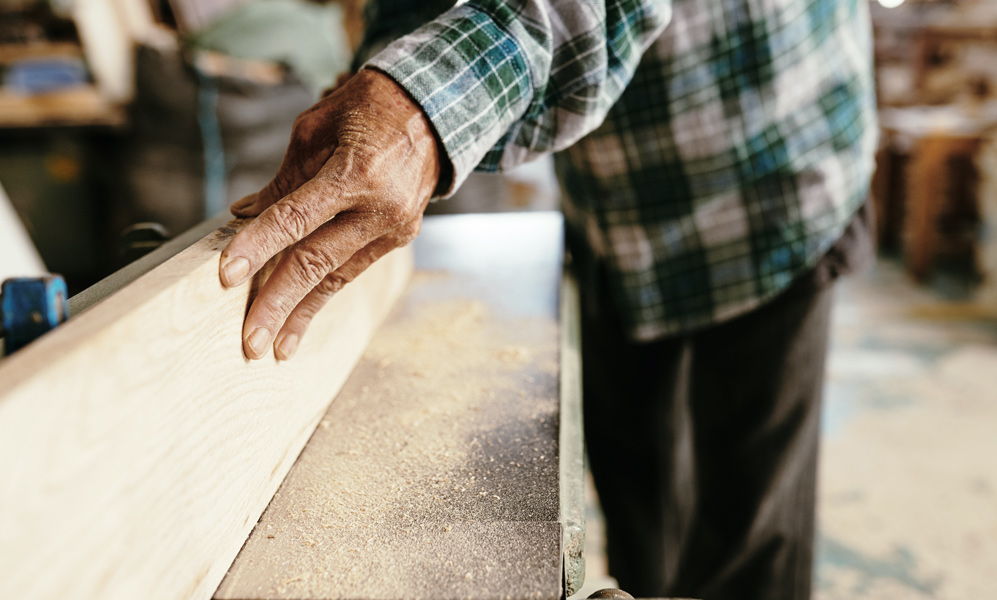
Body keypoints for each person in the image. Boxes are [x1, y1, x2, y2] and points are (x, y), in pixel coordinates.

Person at [216, 1, 877, 598]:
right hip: (616, 209)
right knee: (642, 527)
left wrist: (423, 105)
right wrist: (386, 65)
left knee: (743, 547)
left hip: (764, 172)